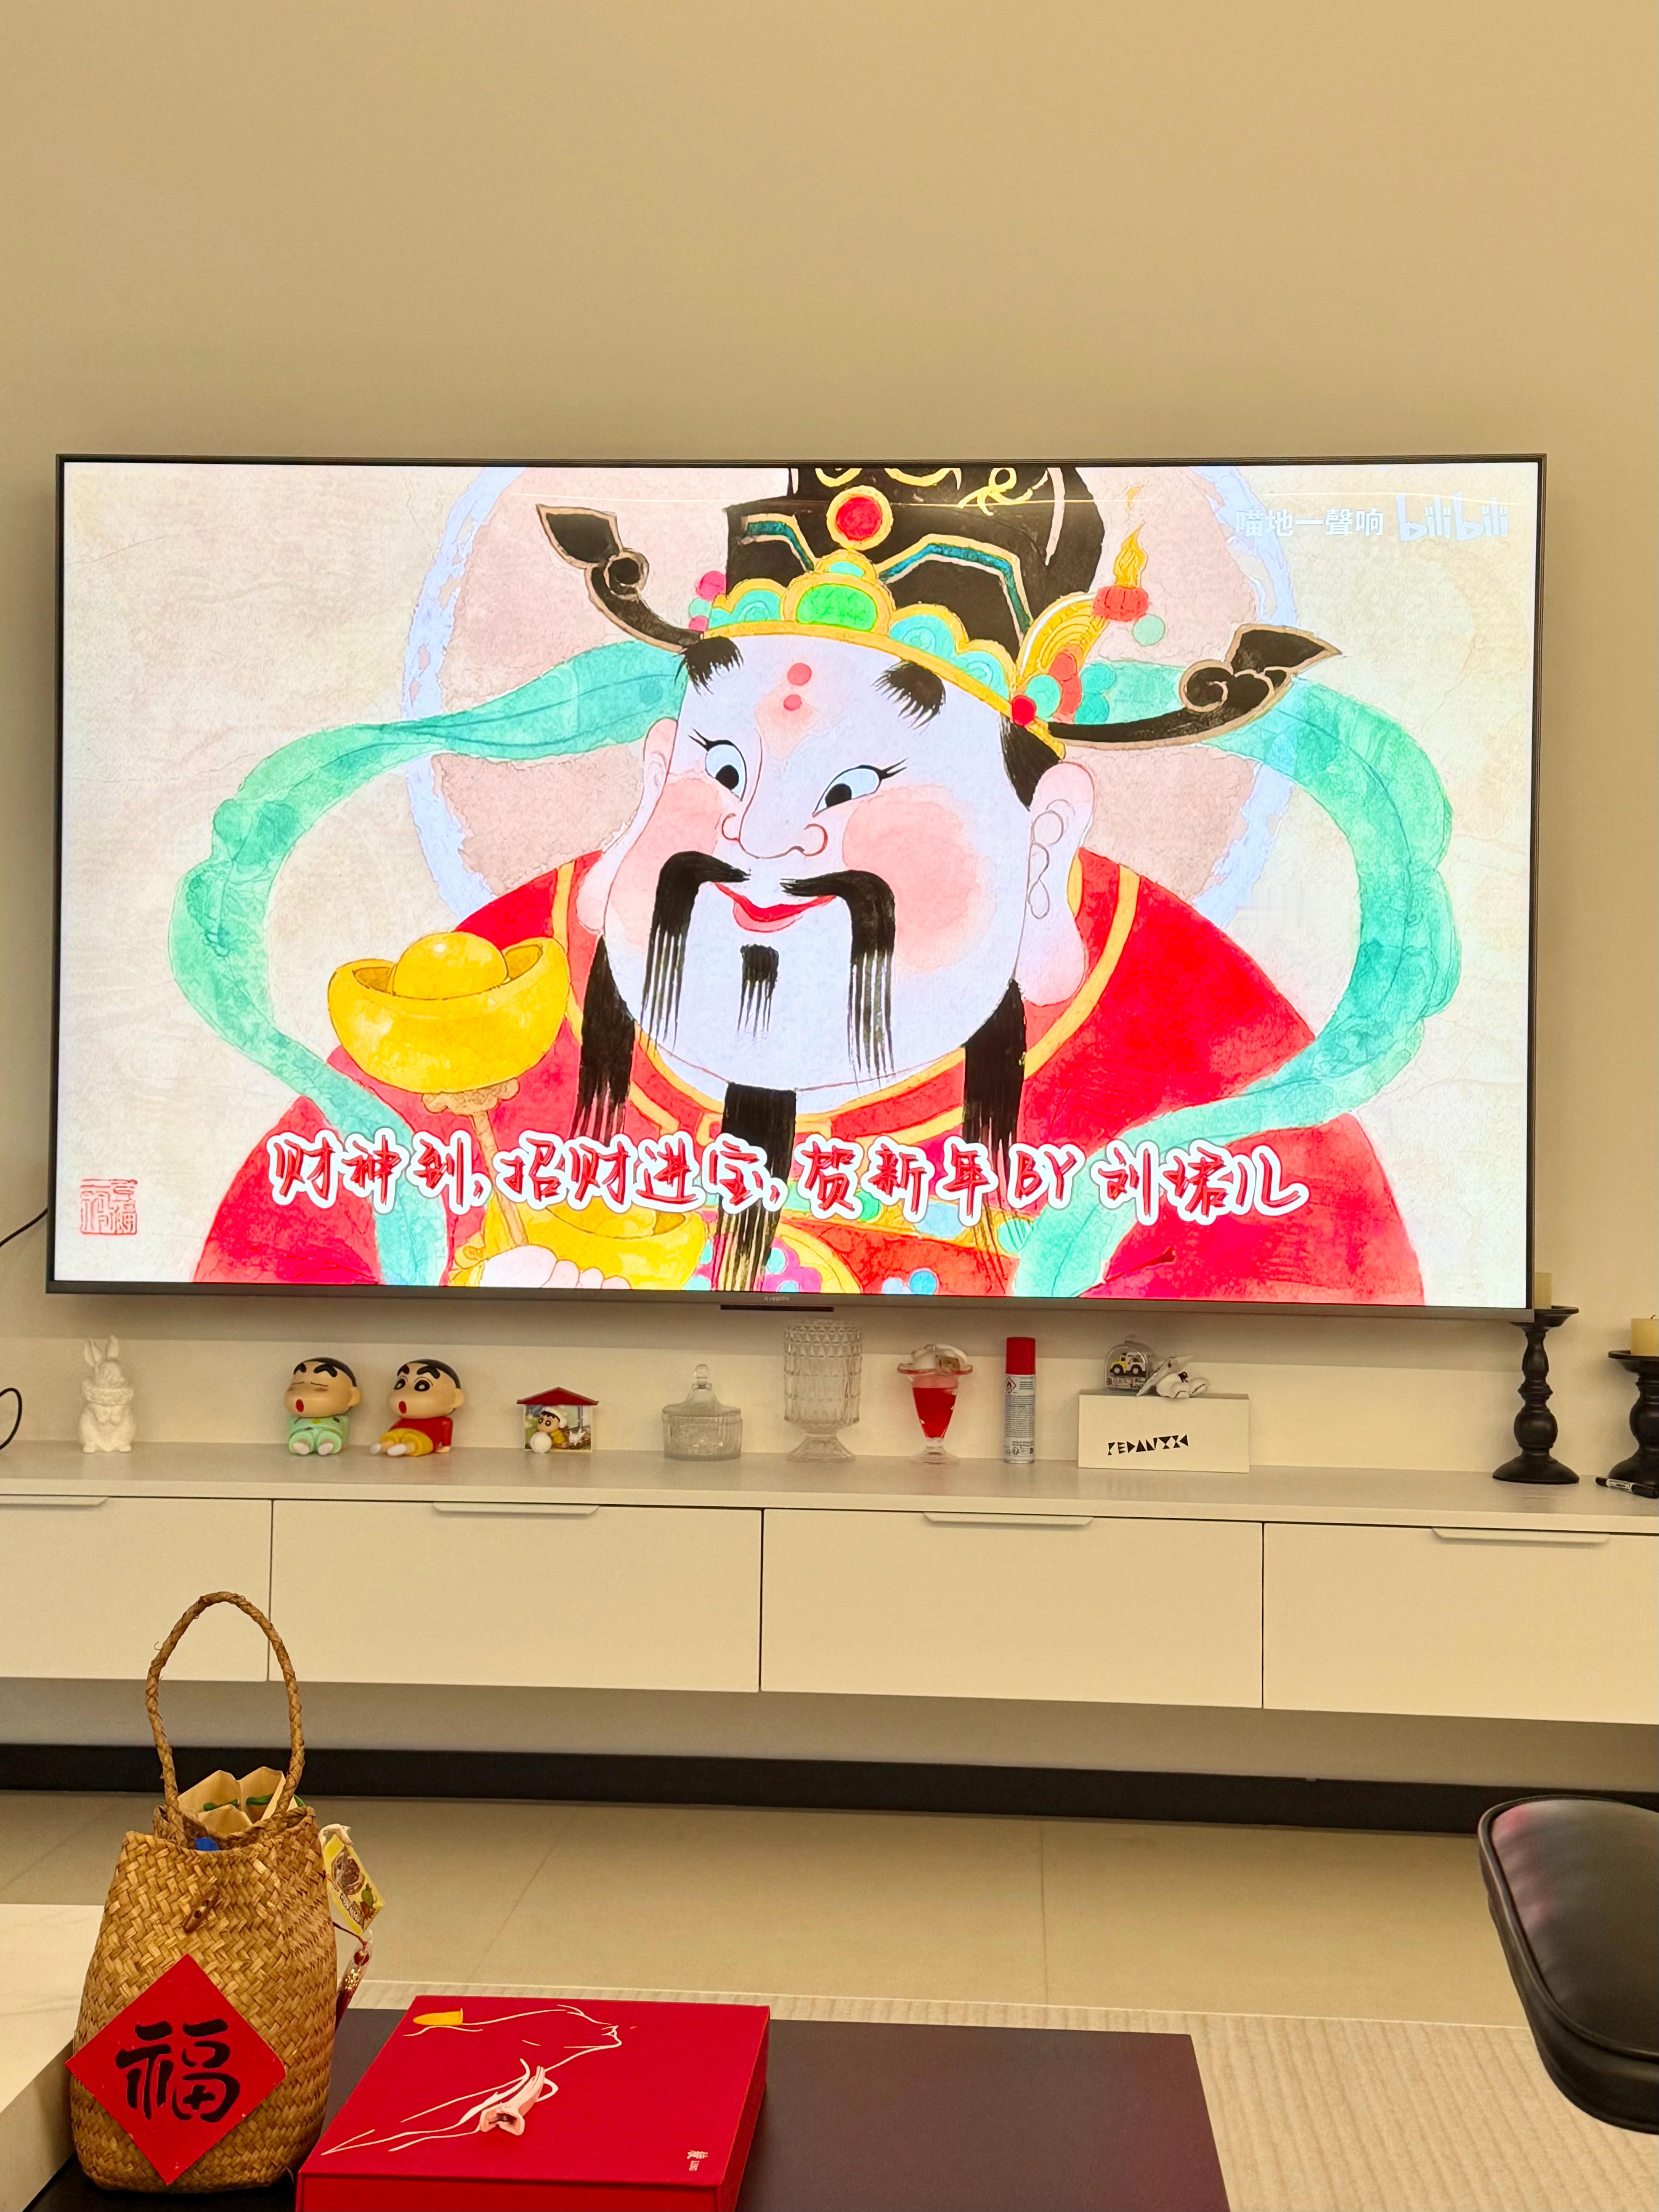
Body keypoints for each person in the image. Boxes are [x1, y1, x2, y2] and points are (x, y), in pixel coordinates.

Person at [200, 466, 1421, 1304]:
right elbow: (282, 1261)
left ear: (1042, 841)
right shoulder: (487, 1005)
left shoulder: (1193, 1045)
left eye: (856, 785)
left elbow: (1309, 1301)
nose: (767, 832)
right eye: (724, 768)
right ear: (656, 772)